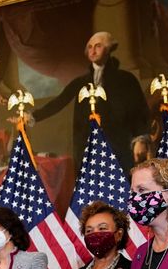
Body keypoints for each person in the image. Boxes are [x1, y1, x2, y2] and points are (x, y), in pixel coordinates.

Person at [32, 31, 149, 175]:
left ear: (109, 49)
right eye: (90, 47)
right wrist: (32, 117)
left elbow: (138, 110)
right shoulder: (80, 82)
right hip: (88, 148)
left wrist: (140, 139)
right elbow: (59, 102)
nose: (93, 51)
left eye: (98, 46)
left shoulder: (126, 79)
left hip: (118, 145)